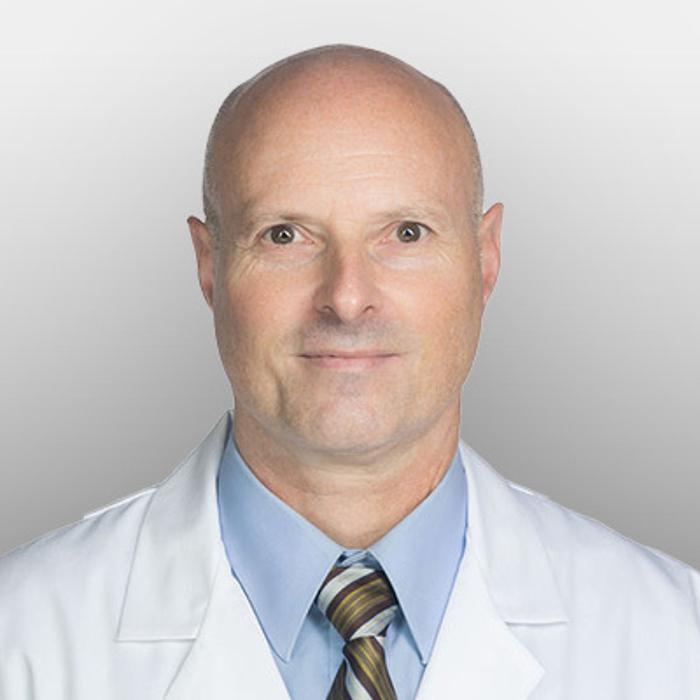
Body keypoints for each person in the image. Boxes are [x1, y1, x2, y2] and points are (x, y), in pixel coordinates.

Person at [0, 43, 698, 700]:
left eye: (406, 233)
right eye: (284, 236)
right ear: (208, 265)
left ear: (485, 259)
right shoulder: (23, 637)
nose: (347, 297)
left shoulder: (673, 638)